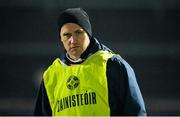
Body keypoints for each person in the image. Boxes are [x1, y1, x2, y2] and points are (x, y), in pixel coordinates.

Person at [34, 7, 146, 116]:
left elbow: (135, 112)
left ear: (88, 34)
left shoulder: (113, 65)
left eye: (78, 32)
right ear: (61, 38)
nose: (72, 40)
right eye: (67, 35)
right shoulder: (51, 75)